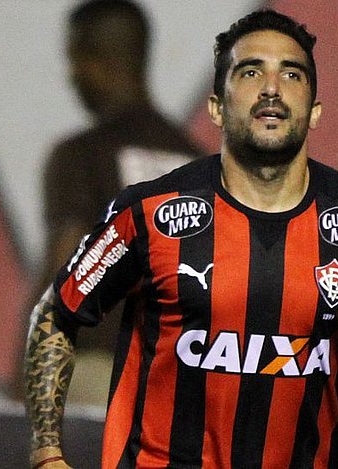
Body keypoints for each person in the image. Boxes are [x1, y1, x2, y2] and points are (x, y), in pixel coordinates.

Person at [24, 9, 338, 468]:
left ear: (314, 111)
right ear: (216, 107)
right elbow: (57, 313)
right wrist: (47, 452)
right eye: (251, 72)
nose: (271, 88)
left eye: (291, 74)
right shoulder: (149, 213)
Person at [36, 0, 203, 351]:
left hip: (101, 364)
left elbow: (63, 270)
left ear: (97, 61)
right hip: (183, 368)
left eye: (75, 60)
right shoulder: (201, 163)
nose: (71, 77)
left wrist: (26, 369)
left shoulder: (81, 156)